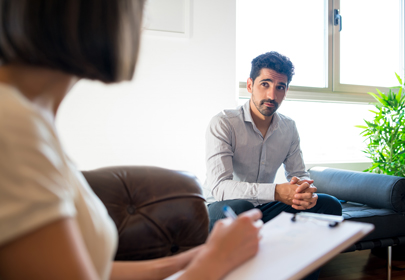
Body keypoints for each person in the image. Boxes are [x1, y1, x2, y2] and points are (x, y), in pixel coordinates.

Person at [0, 1, 263, 280]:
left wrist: (197, 257)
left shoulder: (27, 118)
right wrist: (215, 263)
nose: (144, 20)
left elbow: (90, 271)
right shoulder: (12, 124)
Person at [204, 51, 342, 230]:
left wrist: (305, 193)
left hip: (263, 207)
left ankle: (303, 257)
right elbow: (221, 188)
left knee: (329, 204)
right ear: (249, 85)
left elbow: (299, 174)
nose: (272, 95)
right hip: (221, 208)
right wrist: (276, 192)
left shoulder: (289, 127)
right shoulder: (224, 122)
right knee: (243, 209)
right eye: (265, 84)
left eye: (280, 87)